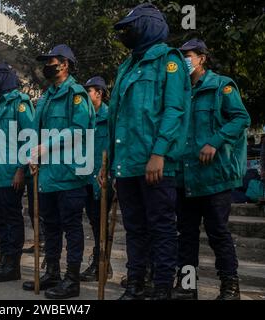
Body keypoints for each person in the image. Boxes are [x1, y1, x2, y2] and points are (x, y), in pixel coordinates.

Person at [107, 4, 191, 300]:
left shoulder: (170, 61)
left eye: (130, 27)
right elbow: (115, 118)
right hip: (127, 163)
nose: (125, 34)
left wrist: (159, 153)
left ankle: (162, 288)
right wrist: (110, 165)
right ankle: (135, 284)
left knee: (161, 227)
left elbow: (174, 109)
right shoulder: (126, 66)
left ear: (149, 26)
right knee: (134, 228)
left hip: (155, 162)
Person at [173, 39, 251, 300]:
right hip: (185, 176)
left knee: (218, 232)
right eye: (181, 55)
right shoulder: (179, 91)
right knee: (186, 234)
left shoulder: (221, 86)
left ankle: (230, 286)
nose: (184, 60)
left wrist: (214, 142)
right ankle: (187, 285)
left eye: (189, 55)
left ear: (202, 58)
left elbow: (241, 118)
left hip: (214, 177)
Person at [22, 44, 95, 299]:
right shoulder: (46, 96)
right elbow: (36, 129)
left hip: (69, 174)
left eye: (50, 61)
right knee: (50, 227)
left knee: (71, 227)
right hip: (47, 175)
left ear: (64, 64)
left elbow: (79, 129)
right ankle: (52, 273)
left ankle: (71, 280)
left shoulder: (76, 94)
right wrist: (33, 154)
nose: (46, 66)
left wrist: (46, 146)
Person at [0, 62, 35, 282]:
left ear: (2, 78)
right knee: (0, 219)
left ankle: (13, 265)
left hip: (12, 173)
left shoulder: (20, 104)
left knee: (12, 219)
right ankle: (3, 260)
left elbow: (29, 138)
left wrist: (21, 169)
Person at [80, 76, 113, 282]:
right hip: (85, 178)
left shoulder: (110, 117)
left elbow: (113, 147)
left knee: (101, 222)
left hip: (102, 179)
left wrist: (108, 172)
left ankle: (102, 262)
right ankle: (101, 263)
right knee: (94, 222)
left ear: (99, 93)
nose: (85, 96)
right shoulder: (84, 116)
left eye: (88, 92)